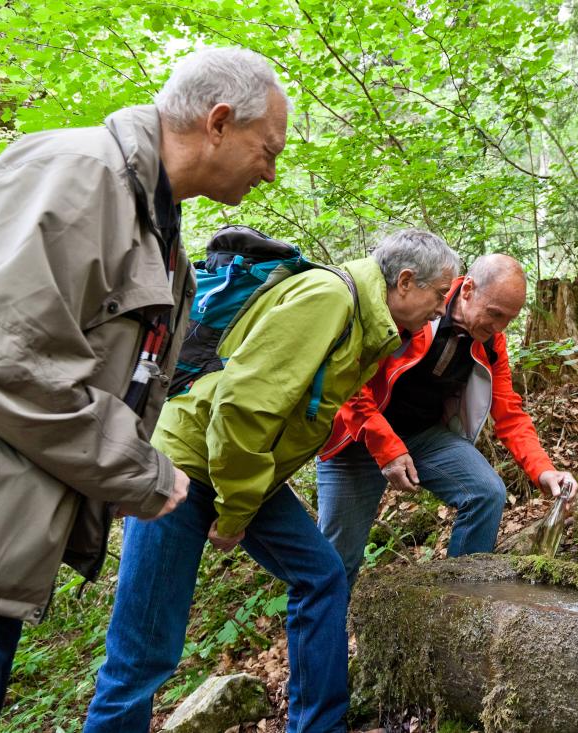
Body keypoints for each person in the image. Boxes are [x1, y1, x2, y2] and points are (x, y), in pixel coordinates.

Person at [0, 46, 290, 731]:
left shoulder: (160, 236)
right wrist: (139, 470)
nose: (272, 168)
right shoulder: (77, 175)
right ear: (220, 122)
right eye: (268, 147)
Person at [83, 229, 459, 732]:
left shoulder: (368, 321)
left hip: (246, 469)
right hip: (189, 463)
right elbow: (242, 408)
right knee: (144, 650)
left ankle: (319, 725)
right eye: (439, 294)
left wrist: (245, 498)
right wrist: (235, 512)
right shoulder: (329, 299)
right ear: (407, 282)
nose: (442, 306)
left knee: (321, 576)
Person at [316, 253, 578, 587]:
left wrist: (543, 470)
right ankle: (326, 634)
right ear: (467, 289)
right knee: (337, 564)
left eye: (508, 320)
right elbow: (349, 384)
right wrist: (386, 447)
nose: (499, 328)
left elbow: (509, 412)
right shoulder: (414, 306)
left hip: (421, 435)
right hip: (354, 437)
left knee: (485, 492)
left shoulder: (491, 342)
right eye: (494, 314)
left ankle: (458, 607)